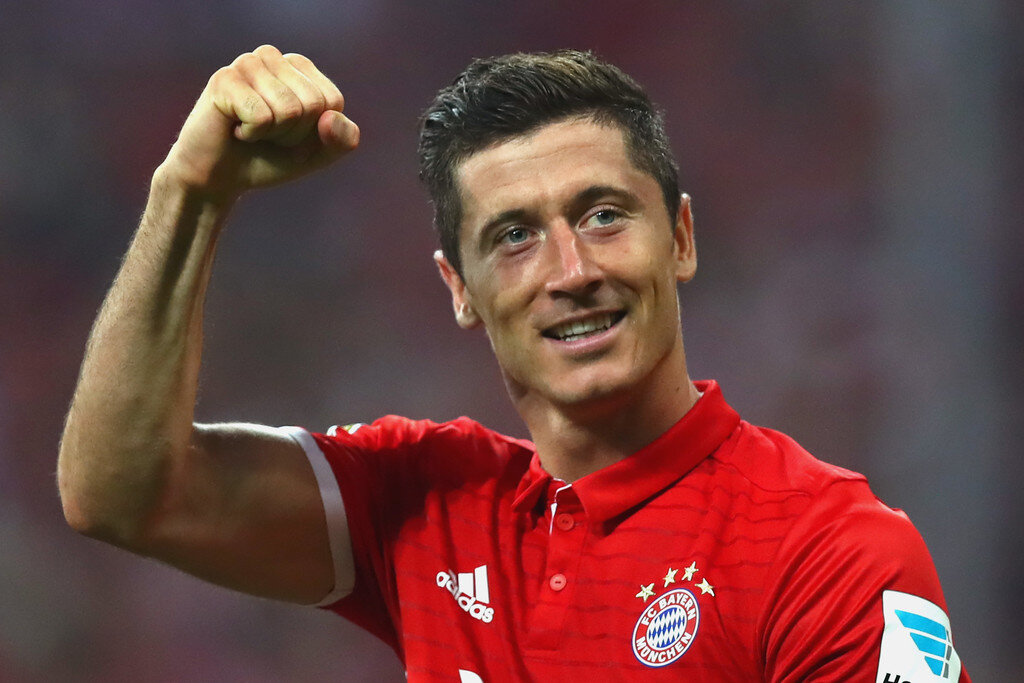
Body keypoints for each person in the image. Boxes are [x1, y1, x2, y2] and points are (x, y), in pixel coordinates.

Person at [58, 45, 968, 681]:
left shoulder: (827, 552)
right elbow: (123, 493)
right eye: (515, 237)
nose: (571, 272)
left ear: (682, 238)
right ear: (460, 289)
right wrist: (189, 195)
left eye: (604, 214)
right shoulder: (429, 507)